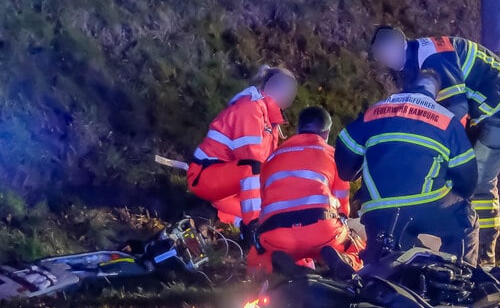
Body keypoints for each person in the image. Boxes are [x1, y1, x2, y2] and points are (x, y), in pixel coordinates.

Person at [370, 26, 500, 264]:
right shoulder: (412, 64)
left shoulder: (432, 56)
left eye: (385, 54)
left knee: (478, 181)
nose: (385, 61)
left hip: (499, 112)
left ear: (400, 43)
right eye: (380, 58)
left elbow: (456, 109)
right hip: (482, 113)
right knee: (458, 177)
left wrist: (444, 149)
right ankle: (462, 254)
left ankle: (485, 259)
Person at [335, 70, 479, 265]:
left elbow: (345, 166)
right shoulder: (447, 120)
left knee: (384, 260)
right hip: (427, 204)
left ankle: (382, 266)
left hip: (378, 210)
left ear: (406, 86)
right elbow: (468, 181)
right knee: (467, 219)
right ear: (437, 93)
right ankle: (462, 275)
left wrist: (359, 175)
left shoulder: (374, 111)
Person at [252, 106, 363, 274]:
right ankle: (345, 261)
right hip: (322, 233)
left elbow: (264, 200)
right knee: (357, 248)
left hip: (275, 236)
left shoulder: (272, 158)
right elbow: (342, 201)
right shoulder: (332, 154)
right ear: (326, 133)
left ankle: (288, 270)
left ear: (298, 129)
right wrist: (343, 219)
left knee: (264, 256)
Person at [187, 67, 298, 227]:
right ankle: (251, 225)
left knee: (277, 211)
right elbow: (251, 163)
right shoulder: (250, 109)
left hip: (227, 184)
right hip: (206, 177)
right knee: (266, 211)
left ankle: (229, 220)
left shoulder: (268, 117)